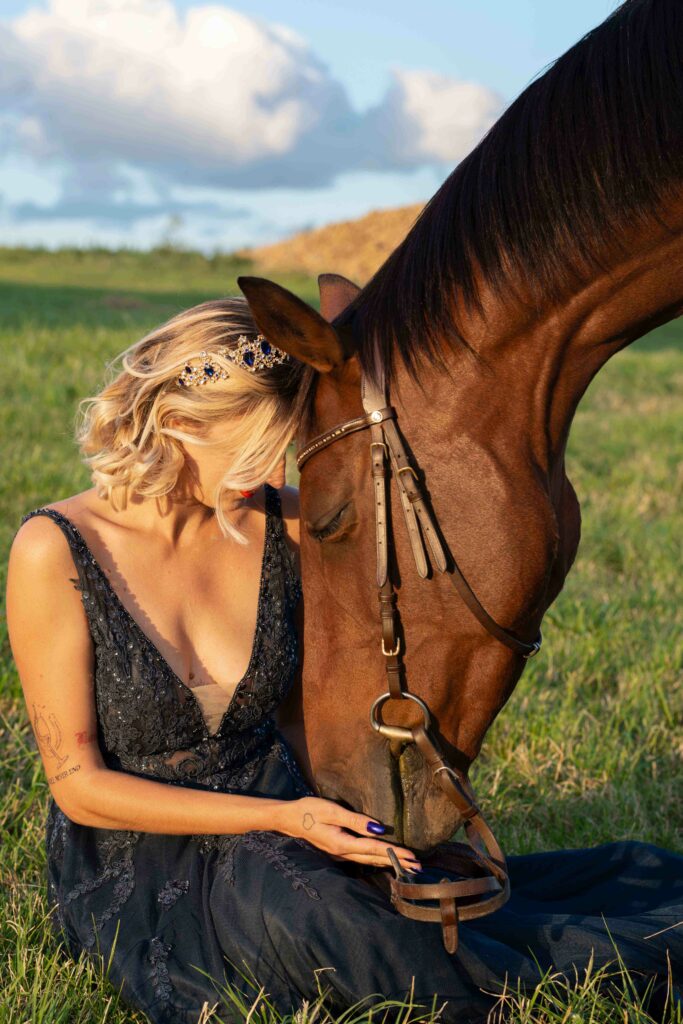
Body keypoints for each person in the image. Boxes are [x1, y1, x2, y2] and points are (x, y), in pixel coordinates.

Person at [6, 297, 682, 1024]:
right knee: (320, 922)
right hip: (141, 844)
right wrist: (289, 821)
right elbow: (78, 786)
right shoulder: (56, 550)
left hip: (292, 803)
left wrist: (334, 814)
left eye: (282, 447)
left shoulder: (288, 520)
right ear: (176, 425)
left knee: (429, 905)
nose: (268, 471)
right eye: (250, 451)